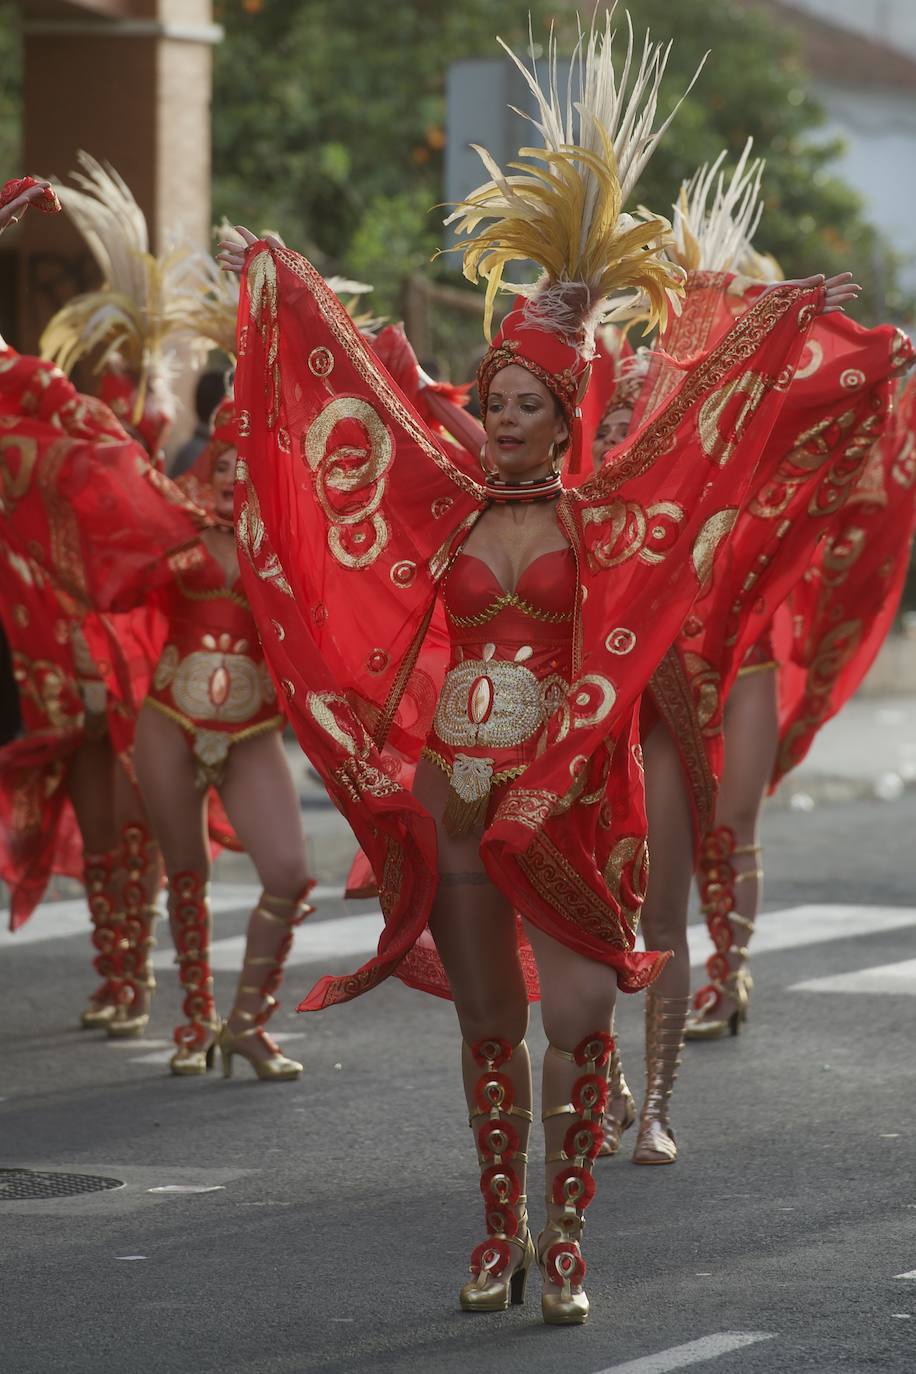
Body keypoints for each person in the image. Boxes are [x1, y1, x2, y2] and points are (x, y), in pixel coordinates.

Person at [219, 14, 854, 1322]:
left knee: (574, 1018)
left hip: (564, 786)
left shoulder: (601, 522)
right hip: (457, 783)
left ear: (566, 420)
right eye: (494, 404)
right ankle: (501, 1228)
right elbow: (361, 397)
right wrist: (277, 280)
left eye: (528, 409)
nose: (504, 425)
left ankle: (571, 1231)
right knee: (485, 1023)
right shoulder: (447, 506)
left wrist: (787, 325)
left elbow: (705, 440)